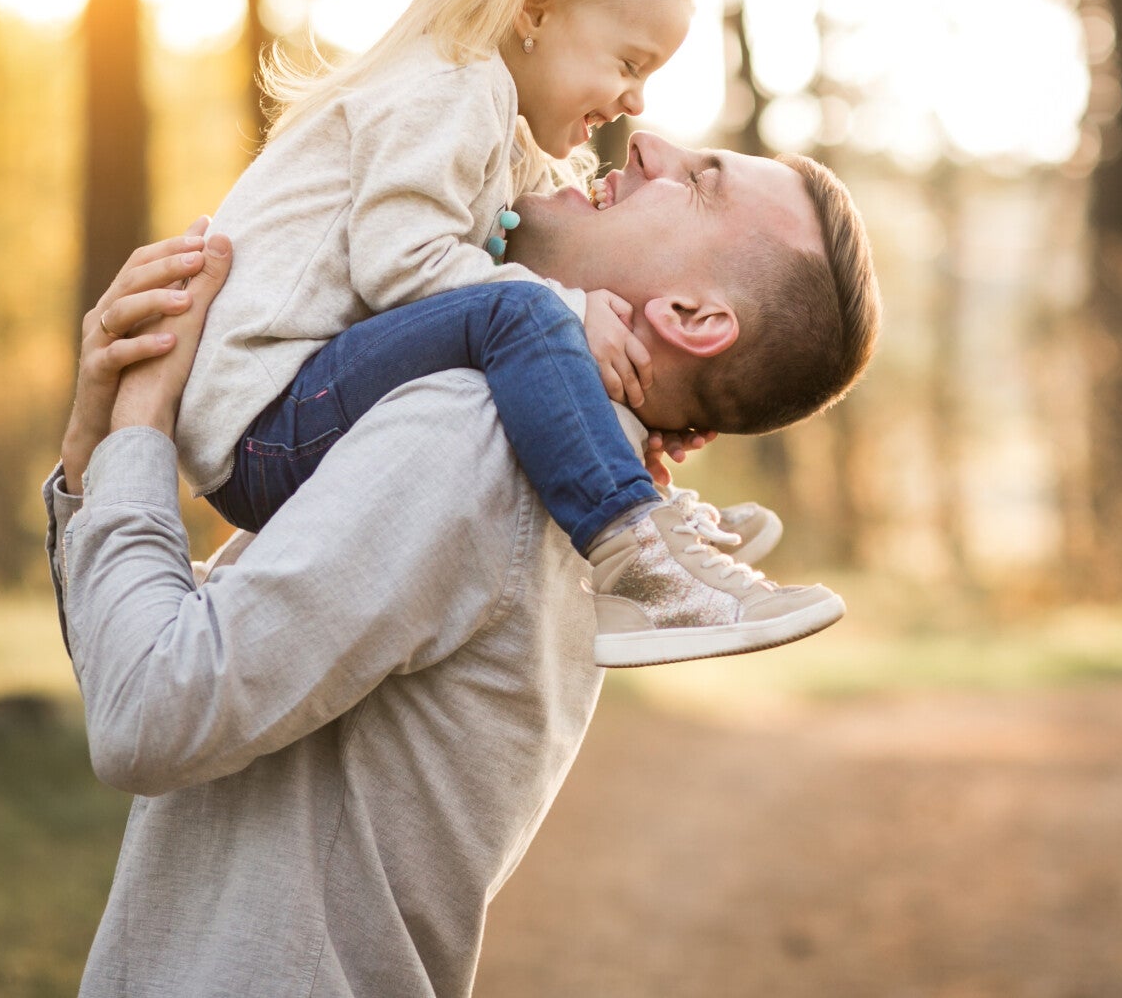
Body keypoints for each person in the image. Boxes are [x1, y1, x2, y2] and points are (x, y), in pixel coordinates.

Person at [48, 132, 878, 996]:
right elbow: (138, 659)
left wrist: (141, 422)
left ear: (693, 318)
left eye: (701, 181)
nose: (647, 142)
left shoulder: (478, 429)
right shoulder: (559, 467)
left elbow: (149, 711)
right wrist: (91, 458)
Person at [173, 0, 838, 666]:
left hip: (294, 409)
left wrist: (631, 410)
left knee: (525, 309)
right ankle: (640, 564)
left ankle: (643, 509)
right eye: (629, 63)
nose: (636, 105)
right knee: (523, 309)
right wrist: (567, 311)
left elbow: (520, 241)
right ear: (535, 8)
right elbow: (402, 267)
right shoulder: (450, 85)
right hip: (263, 422)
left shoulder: (490, 116)